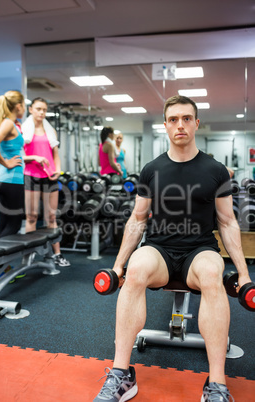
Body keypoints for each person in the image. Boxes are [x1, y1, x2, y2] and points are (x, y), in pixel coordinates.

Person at [94, 95, 251, 402]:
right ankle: (121, 374)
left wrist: (243, 273)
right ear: (165, 125)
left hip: (199, 250)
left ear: (196, 123)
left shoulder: (216, 170)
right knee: (137, 268)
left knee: (211, 271)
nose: (180, 125)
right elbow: (138, 219)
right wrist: (117, 266)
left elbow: (228, 222)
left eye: (187, 118)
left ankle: (216, 384)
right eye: (174, 119)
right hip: (159, 249)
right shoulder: (151, 170)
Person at [22, 97, 70, 267]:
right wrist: (34, 157)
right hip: (31, 175)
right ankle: (29, 255)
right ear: (31, 110)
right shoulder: (24, 130)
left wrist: (58, 169)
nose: (41, 112)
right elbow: (21, 156)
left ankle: (57, 254)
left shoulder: (50, 131)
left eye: (44, 109)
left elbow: (55, 154)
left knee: (51, 216)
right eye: (38, 109)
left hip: (49, 177)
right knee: (32, 216)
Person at [0, 90, 26, 240]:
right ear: (18, 106)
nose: (23, 108)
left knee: (5, 224)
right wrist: (7, 163)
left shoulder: (10, 124)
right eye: (23, 105)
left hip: (4, 179)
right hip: (11, 180)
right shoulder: (8, 123)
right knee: (14, 224)